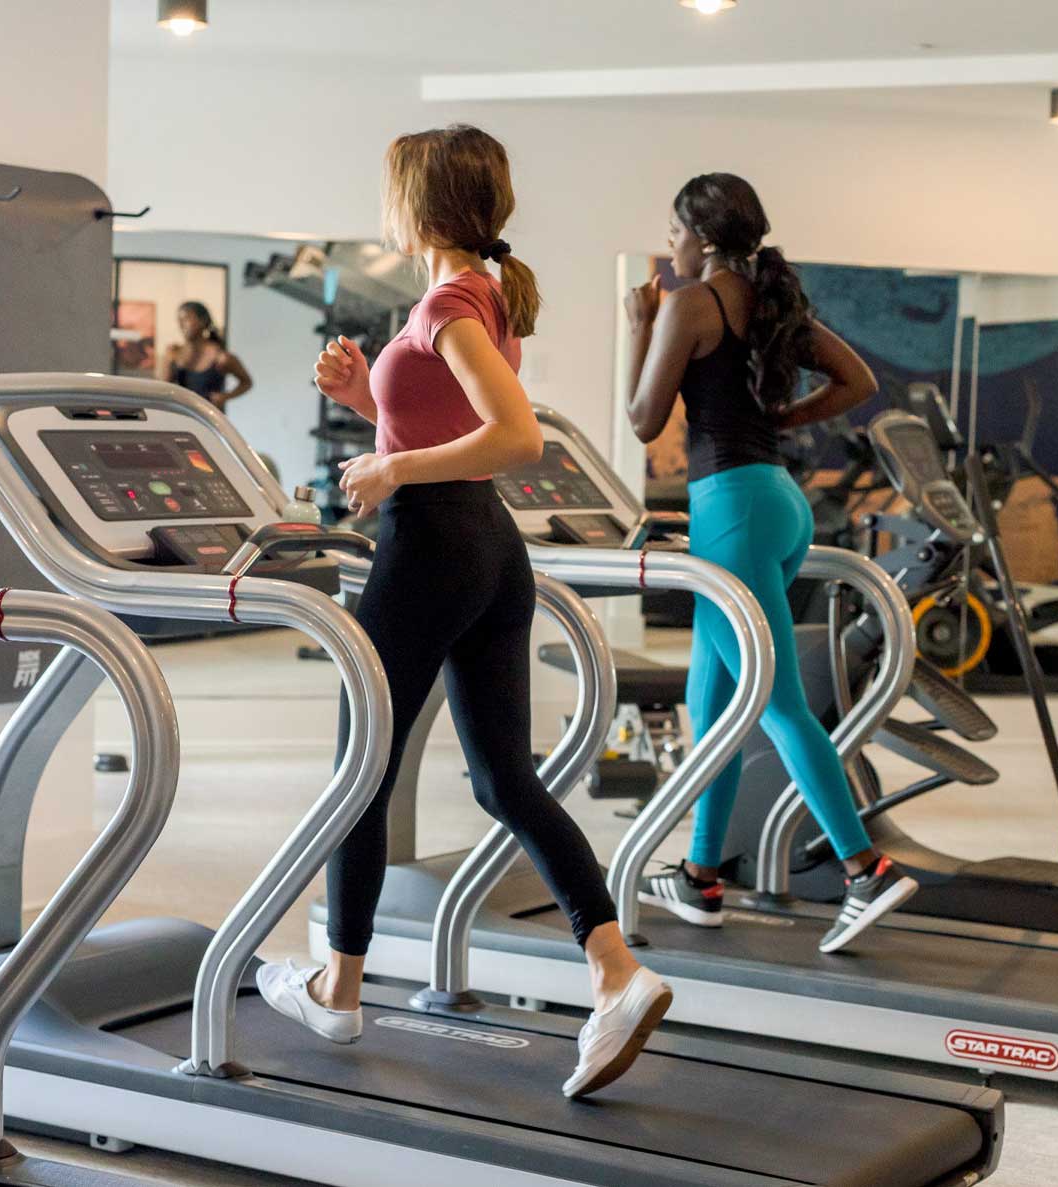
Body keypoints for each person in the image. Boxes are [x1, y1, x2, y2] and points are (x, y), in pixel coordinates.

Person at [255, 124, 669, 1099]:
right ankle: (616, 970)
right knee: (503, 777)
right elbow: (459, 427)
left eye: (391, 190)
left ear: (420, 201)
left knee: (363, 763)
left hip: (434, 541)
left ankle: (337, 984)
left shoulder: (448, 301)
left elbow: (515, 434)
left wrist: (394, 463)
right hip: (488, 546)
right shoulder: (475, 290)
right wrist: (372, 402)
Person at [624, 172, 917, 955]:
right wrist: (787, 416)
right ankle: (699, 874)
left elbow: (643, 419)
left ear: (704, 234)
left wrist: (636, 328)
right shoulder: (772, 302)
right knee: (711, 699)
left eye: (676, 230)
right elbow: (857, 380)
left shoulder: (690, 305)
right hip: (776, 499)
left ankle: (866, 869)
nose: (672, 244)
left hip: (732, 510)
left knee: (778, 701)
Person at [166, 300, 253, 411]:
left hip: (209, 420)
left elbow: (247, 382)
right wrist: (169, 362)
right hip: (183, 417)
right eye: (179, 320)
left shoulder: (220, 357)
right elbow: (164, 389)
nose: (181, 324)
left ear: (203, 321)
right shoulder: (174, 353)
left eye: (186, 319)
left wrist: (225, 396)